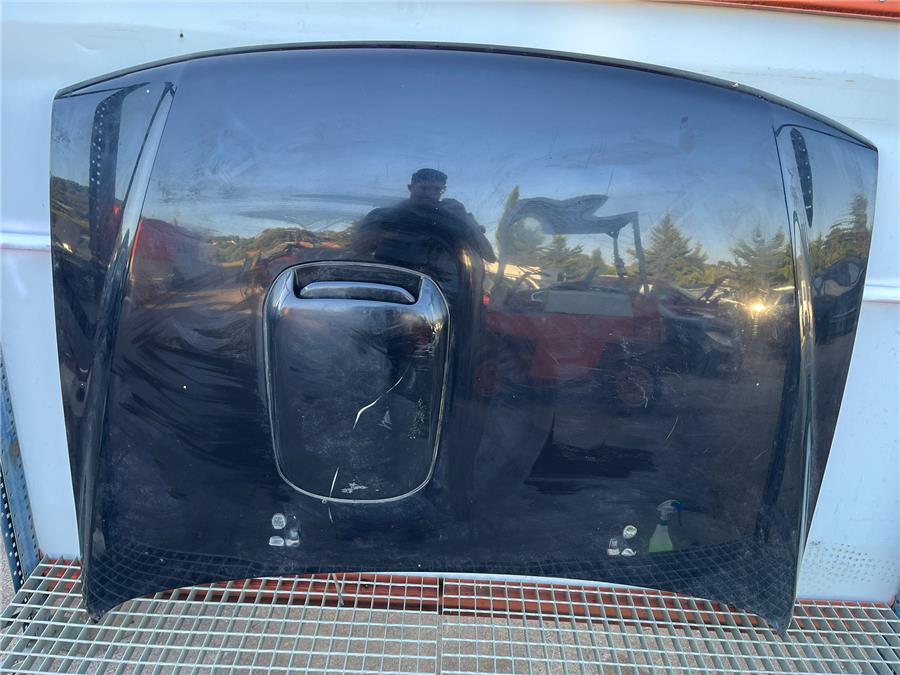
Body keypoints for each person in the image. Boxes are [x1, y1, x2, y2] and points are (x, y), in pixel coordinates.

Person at [351, 168, 496, 303]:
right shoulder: (383, 215)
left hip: (443, 296)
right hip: (389, 288)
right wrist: (391, 224)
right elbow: (359, 248)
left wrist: (465, 219)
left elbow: (489, 255)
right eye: (424, 188)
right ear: (410, 188)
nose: (430, 194)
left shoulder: (457, 218)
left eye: (437, 190)